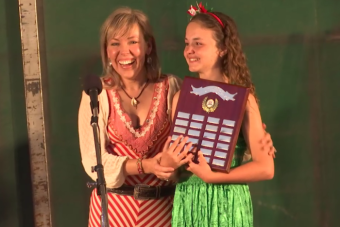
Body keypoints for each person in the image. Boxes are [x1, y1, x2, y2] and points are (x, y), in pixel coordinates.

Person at [159, 3, 275, 227]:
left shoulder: (244, 100)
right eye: (186, 43)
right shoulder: (179, 99)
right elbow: (174, 168)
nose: (189, 50)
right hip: (188, 201)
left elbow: (265, 167)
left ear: (222, 48)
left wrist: (215, 177)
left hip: (228, 203)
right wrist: (168, 164)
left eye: (198, 43)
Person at [78, 7, 182, 227]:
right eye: (115, 43)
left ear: (148, 46)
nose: (124, 52)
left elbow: (195, 140)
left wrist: (245, 136)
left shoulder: (172, 87)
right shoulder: (97, 93)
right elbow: (93, 162)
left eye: (132, 42)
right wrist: (147, 166)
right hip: (112, 210)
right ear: (106, 51)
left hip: (164, 211)